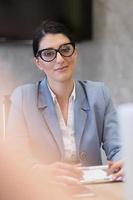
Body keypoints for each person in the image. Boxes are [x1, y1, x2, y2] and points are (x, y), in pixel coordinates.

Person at [6, 20, 123, 184]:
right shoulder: (24, 98)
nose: (60, 59)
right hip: (46, 190)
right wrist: (43, 171)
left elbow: (119, 147)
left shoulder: (98, 94)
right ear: (38, 63)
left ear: (75, 52)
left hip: (95, 189)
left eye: (66, 49)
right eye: (48, 53)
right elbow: (14, 160)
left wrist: (124, 162)